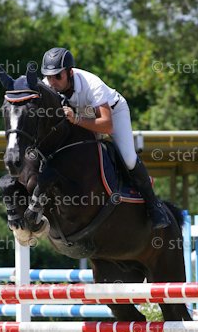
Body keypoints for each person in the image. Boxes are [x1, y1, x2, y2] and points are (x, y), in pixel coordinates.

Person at [41, 47, 171, 229]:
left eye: (57, 76)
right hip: (79, 114)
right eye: (49, 77)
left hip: (112, 113)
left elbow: (106, 125)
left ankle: (154, 206)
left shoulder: (92, 84)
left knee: (128, 159)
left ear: (70, 72)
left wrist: (76, 119)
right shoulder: (47, 86)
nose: (52, 82)